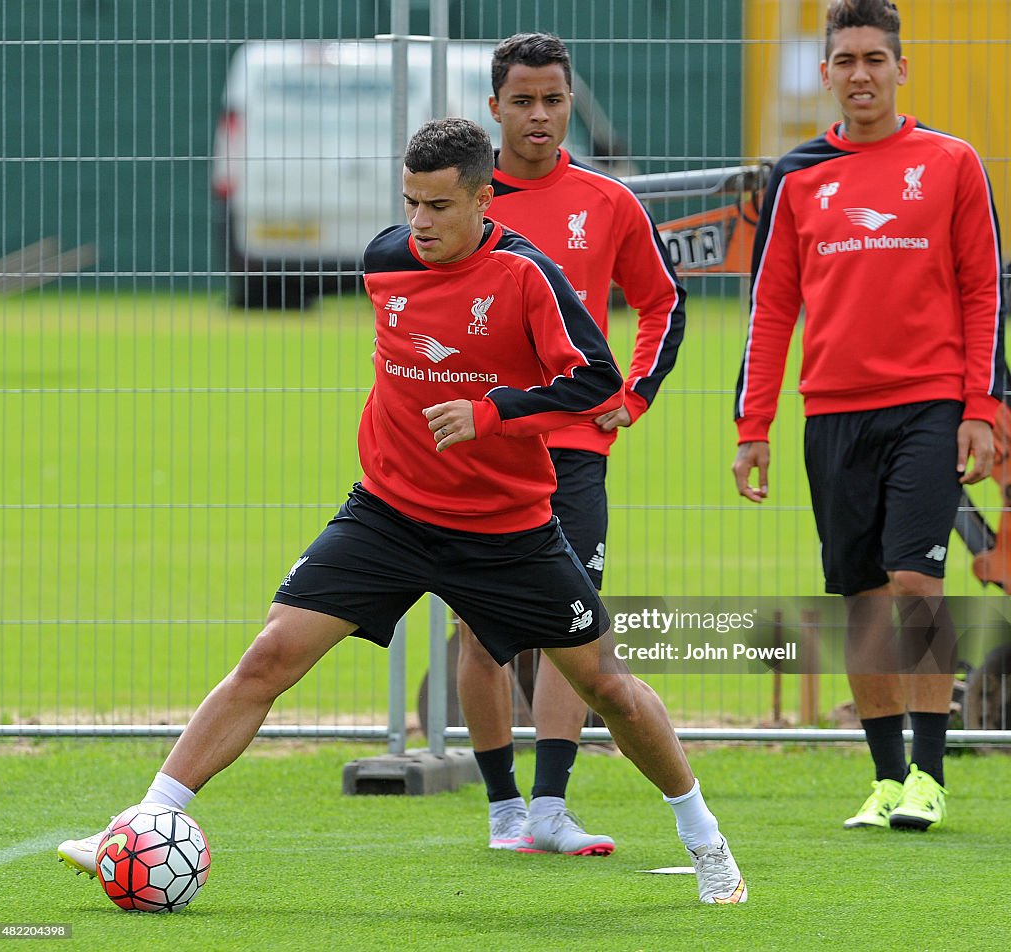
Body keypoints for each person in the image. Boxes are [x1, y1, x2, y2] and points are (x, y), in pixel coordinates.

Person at [57, 118, 746, 903]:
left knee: (607, 688)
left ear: (486, 200)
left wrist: (488, 413)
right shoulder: (385, 258)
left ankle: (706, 841)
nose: (419, 223)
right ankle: (144, 823)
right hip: (386, 513)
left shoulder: (528, 276)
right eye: (411, 202)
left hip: (504, 531)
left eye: (439, 207)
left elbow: (596, 379)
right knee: (270, 655)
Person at [733, 0, 1005, 832]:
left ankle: (930, 773)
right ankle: (886, 784)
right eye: (845, 60)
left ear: (901, 68)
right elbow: (771, 305)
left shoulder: (952, 162)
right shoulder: (798, 176)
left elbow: (983, 290)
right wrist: (754, 427)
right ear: (825, 75)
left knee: (919, 584)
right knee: (860, 596)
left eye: (875, 59)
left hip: (928, 406)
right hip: (833, 415)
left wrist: (982, 407)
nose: (860, 74)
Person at [455, 32, 686, 857]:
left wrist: (634, 396)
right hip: (483, 448)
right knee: (477, 634)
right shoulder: (463, 205)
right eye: (523, 101)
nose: (541, 115)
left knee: (572, 624)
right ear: (495, 110)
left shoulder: (609, 202)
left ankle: (550, 808)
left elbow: (664, 302)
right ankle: (501, 811)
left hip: (576, 448)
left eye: (554, 99)